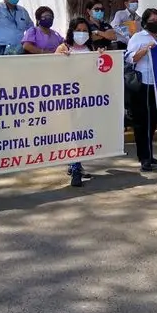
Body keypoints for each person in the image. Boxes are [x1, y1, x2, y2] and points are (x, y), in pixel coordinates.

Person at [125, 8, 157, 172]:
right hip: (142, 83)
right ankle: (143, 157)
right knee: (141, 122)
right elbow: (131, 58)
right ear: (145, 22)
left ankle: (150, 154)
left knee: (153, 122)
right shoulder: (138, 37)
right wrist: (146, 49)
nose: (156, 22)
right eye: (152, 19)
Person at [55, 16, 96, 187]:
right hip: (69, 98)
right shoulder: (64, 47)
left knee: (82, 132)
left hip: (88, 98)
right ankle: (75, 167)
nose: (81, 33)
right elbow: (51, 69)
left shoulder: (91, 48)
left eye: (84, 30)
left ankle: (76, 163)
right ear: (71, 31)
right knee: (72, 132)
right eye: (78, 30)